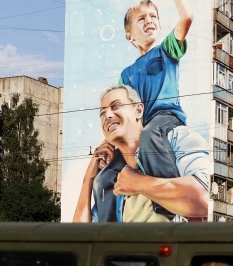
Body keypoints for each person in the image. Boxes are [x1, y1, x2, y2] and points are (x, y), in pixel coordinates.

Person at [90, 0, 193, 220]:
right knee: (104, 176)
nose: (149, 21)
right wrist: (110, 143)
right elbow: (120, 110)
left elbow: (187, 17)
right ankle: (104, 228)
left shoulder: (166, 50)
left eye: (153, 17)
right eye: (141, 19)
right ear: (129, 36)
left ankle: (168, 203)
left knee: (149, 134)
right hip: (139, 127)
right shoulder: (126, 74)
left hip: (165, 117)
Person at [72, 84, 208, 222]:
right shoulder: (114, 182)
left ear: (138, 110)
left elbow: (204, 199)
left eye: (116, 106)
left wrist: (138, 184)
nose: (107, 115)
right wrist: (88, 178)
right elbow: (79, 238)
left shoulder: (175, 138)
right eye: (102, 113)